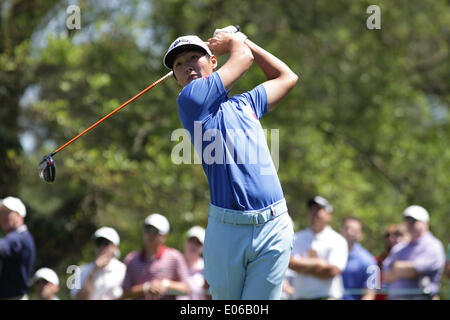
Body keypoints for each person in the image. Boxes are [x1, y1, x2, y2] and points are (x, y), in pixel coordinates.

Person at [164, 25, 297, 300]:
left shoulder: (245, 104)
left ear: (213, 61)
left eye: (193, 58)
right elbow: (244, 58)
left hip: (274, 224)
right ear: (176, 78)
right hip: (227, 230)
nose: (187, 66)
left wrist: (244, 40)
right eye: (179, 64)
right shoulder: (190, 99)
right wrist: (235, 41)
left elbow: (286, 77)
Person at [289, 196, 348, 300]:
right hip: (301, 296)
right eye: (311, 210)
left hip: (327, 296)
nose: (314, 213)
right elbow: (289, 263)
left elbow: (332, 271)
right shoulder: (297, 237)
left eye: (318, 209)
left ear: (329, 215)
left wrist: (301, 264)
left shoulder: (337, 240)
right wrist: (319, 263)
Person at [382, 205, 445, 300]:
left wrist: (396, 267)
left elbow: (413, 271)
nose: (410, 224)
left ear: (426, 223)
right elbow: (386, 275)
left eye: (414, 221)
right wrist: (403, 268)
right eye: (407, 220)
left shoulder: (433, 246)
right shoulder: (399, 248)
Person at [121, 213, 190, 300]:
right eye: (147, 229)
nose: (150, 234)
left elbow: (186, 289)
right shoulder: (131, 259)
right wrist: (146, 288)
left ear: (164, 236)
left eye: (154, 231)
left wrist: (166, 284)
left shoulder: (174, 257)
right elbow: (125, 293)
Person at [71, 227, 126, 300]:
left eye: (106, 243)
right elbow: (79, 298)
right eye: (99, 243)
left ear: (115, 247)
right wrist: (93, 271)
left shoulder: (123, 270)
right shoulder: (81, 270)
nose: (101, 247)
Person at [0, 196, 36, 300]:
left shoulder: (19, 237)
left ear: (20, 216)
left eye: (8, 212)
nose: (3, 216)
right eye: (1, 212)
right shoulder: (17, 237)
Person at [340, 216, 377, 300]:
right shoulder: (329, 255)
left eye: (354, 230)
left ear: (360, 235)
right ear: (341, 230)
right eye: (346, 228)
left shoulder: (369, 261)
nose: (349, 232)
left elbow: (370, 294)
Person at [375, 223, 408, 300]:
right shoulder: (377, 261)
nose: (392, 238)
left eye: (397, 235)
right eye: (387, 235)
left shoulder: (416, 259)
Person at [177, 226, 207, 300]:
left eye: (198, 243)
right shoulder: (175, 262)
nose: (193, 245)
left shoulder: (207, 268)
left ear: (203, 247)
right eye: (191, 240)